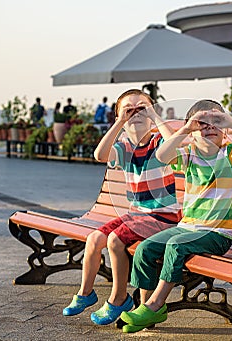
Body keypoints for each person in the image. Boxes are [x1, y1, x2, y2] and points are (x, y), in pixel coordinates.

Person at [120, 99, 232, 333]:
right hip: (187, 227)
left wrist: (231, 121)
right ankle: (145, 307)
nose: (210, 127)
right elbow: (161, 155)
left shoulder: (231, 156)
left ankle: (156, 304)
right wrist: (185, 129)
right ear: (193, 132)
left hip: (217, 234)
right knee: (144, 249)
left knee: (176, 246)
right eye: (203, 124)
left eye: (216, 123)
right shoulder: (189, 155)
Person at [62, 89, 181, 325]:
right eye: (129, 109)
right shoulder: (125, 147)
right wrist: (119, 122)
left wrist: (156, 118)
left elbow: (175, 148)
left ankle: (119, 299)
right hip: (137, 216)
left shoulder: (159, 143)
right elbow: (100, 154)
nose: (135, 112)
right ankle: (86, 293)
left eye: (142, 108)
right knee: (95, 238)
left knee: (115, 240)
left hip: (164, 218)